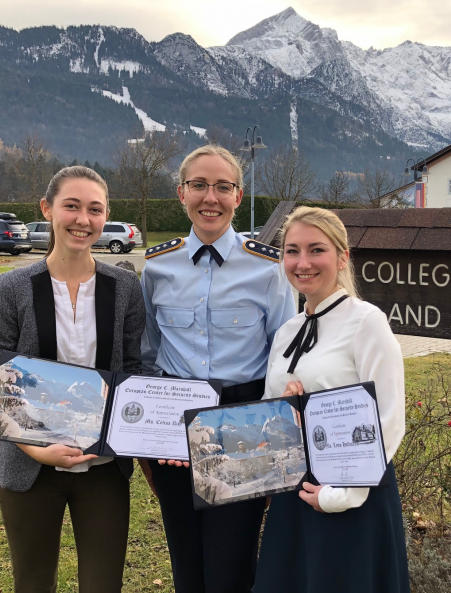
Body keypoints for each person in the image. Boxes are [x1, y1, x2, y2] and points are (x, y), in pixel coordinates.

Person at [0, 166, 145, 592]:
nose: (82, 219)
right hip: (29, 469)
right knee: (32, 584)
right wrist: (36, 450)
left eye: (95, 209)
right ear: (48, 209)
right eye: (71, 206)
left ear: (106, 217)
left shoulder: (125, 287)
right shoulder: (12, 288)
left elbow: (136, 374)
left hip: (103, 469)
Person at [139, 145, 295, 593]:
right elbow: (149, 353)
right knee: (186, 562)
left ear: (239, 196)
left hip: (244, 423)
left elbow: (281, 360)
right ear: (181, 193)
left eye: (223, 187)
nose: (211, 197)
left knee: (233, 563)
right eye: (199, 185)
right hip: (174, 424)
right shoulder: (157, 267)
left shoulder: (269, 269)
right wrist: (155, 428)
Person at [253, 206, 411, 593]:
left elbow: (390, 417)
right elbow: (269, 412)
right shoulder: (287, 331)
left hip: (352, 491)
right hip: (296, 494)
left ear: (342, 257)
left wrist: (344, 495)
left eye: (315, 250)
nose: (302, 262)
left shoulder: (366, 322)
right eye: (292, 251)